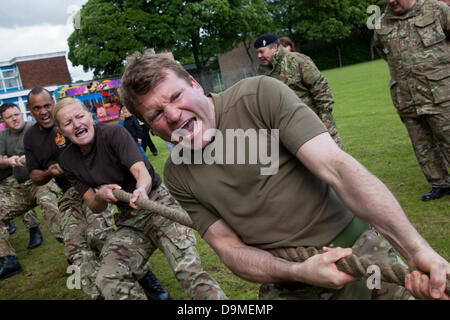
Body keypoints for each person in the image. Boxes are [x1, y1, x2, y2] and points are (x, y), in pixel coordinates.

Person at [118, 51, 450, 300]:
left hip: (361, 251)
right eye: (157, 114)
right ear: (147, 127)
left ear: (194, 83)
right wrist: (297, 271)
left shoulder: (259, 96)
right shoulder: (177, 173)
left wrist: (414, 249)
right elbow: (229, 249)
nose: (174, 115)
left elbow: (337, 169)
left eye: (176, 97)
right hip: (287, 282)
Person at [53, 98, 227, 300]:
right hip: (129, 219)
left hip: (156, 204)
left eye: (80, 116)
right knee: (109, 278)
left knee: (189, 271)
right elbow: (93, 204)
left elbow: (140, 170)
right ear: (61, 131)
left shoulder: (113, 134)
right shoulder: (67, 161)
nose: (77, 124)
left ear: (90, 116)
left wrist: (141, 190)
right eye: (67, 123)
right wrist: (100, 195)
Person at [24, 87, 170, 300]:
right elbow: (33, 175)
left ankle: (149, 282)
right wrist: (50, 171)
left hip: (98, 186)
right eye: (37, 108)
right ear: (31, 111)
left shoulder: (78, 122)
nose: (44, 111)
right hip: (70, 192)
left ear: (53, 103)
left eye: (47, 105)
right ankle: (100, 294)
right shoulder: (31, 137)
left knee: (100, 236)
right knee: (74, 247)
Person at [373, 0, 450, 201]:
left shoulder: (436, 10)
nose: (391, 1)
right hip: (407, 97)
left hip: (441, 94)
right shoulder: (381, 23)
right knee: (422, 146)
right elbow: (384, 53)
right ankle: (439, 184)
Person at [0, 103, 62, 280]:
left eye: (16, 114)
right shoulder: (3, 136)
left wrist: (31, 158)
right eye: (9, 117)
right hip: (20, 187)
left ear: (22, 114)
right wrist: (8, 161)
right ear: (3, 121)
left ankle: (75, 250)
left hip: (43, 181)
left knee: (50, 208)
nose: (15, 118)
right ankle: (8, 260)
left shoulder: (34, 129)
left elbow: (54, 150)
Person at [254, 33, 344, 149]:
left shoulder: (298, 61)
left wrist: (325, 121)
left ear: (274, 48)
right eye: (257, 53)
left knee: (333, 159)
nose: (259, 56)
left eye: (262, 51)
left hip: (315, 122)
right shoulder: (263, 72)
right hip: (291, 129)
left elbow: (322, 90)